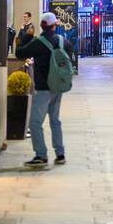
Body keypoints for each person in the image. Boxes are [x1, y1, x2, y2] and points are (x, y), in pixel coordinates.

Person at [16, 12, 75, 168]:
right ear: (54, 25)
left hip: (43, 89)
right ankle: (60, 154)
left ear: (42, 26)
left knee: (34, 123)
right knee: (55, 120)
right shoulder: (64, 42)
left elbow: (20, 53)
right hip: (58, 87)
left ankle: (41, 155)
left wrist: (27, 37)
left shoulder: (38, 43)